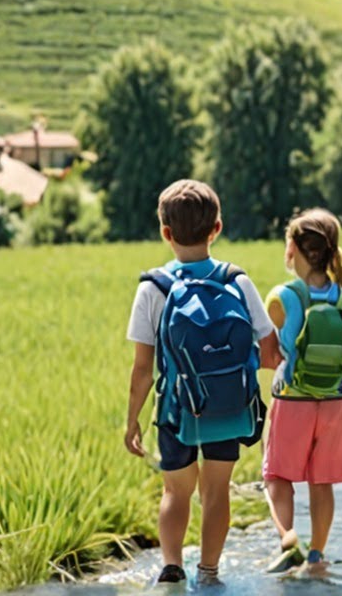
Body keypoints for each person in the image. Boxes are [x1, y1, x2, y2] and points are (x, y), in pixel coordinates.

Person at [123, 179, 280, 587]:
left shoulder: (152, 288)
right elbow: (268, 347)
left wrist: (132, 420)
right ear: (217, 228)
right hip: (227, 406)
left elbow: (142, 368)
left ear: (165, 233)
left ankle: (172, 568)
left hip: (176, 409)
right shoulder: (237, 281)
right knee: (217, 491)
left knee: (176, 492)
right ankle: (209, 573)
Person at [260, 208, 342, 575]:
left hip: (293, 398)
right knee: (321, 480)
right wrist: (339, 353)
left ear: (292, 248)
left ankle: (289, 538)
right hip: (335, 398)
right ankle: (316, 556)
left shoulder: (283, 295)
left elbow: (271, 348)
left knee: (277, 475)